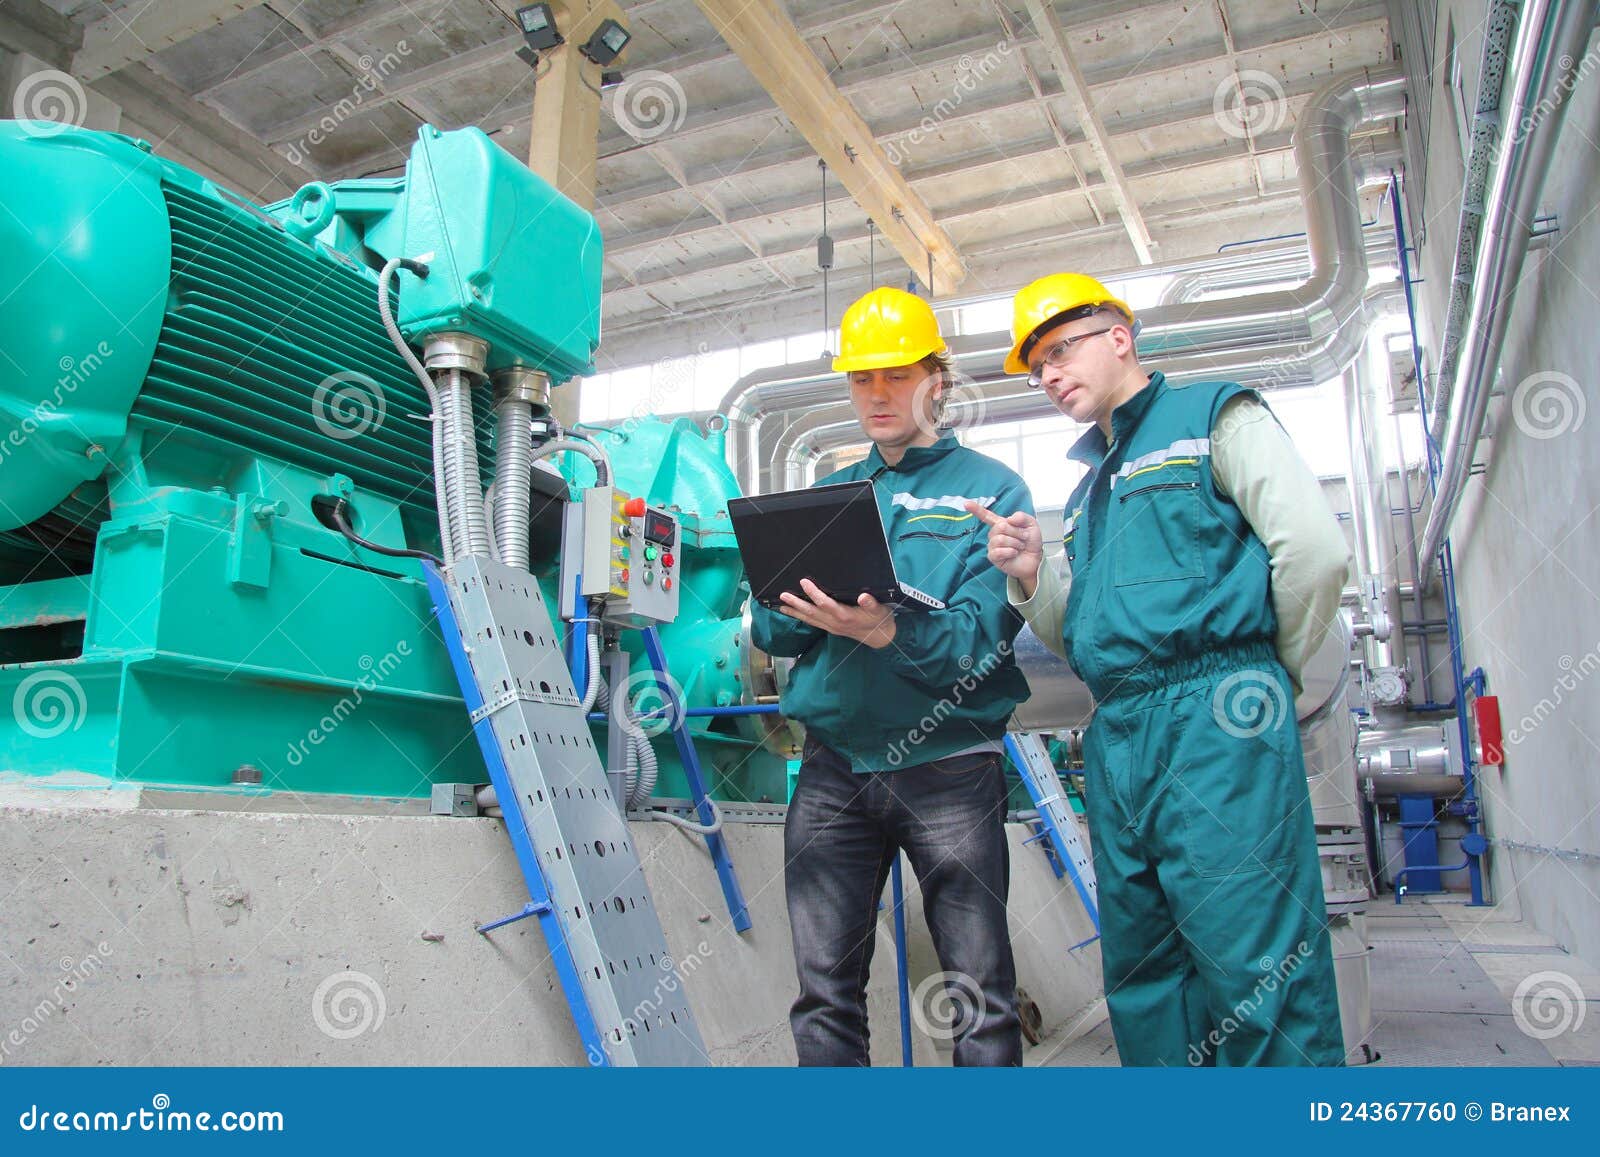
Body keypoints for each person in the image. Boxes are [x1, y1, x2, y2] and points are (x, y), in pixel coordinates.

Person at [969, 272, 1351, 1067]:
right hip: (1120, 734)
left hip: (1217, 724)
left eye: (1059, 349)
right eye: (1036, 364)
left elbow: (1314, 552)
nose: (1047, 374)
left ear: (1120, 336)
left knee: (1253, 967)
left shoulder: (1216, 416)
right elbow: (1087, 638)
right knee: (1146, 977)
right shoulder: (1087, 493)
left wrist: (1256, 677)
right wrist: (1036, 574)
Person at [749, 286, 1033, 1066]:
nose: (877, 394)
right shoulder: (833, 492)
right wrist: (785, 595)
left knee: (978, 995)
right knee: (823, 995)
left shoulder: (993, 494)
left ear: (936, 378)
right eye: (861, 379)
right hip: (833, 768)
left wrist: (883, 630)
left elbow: (977, 647)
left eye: (896, 375)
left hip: (949, 766)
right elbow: (773, 629)